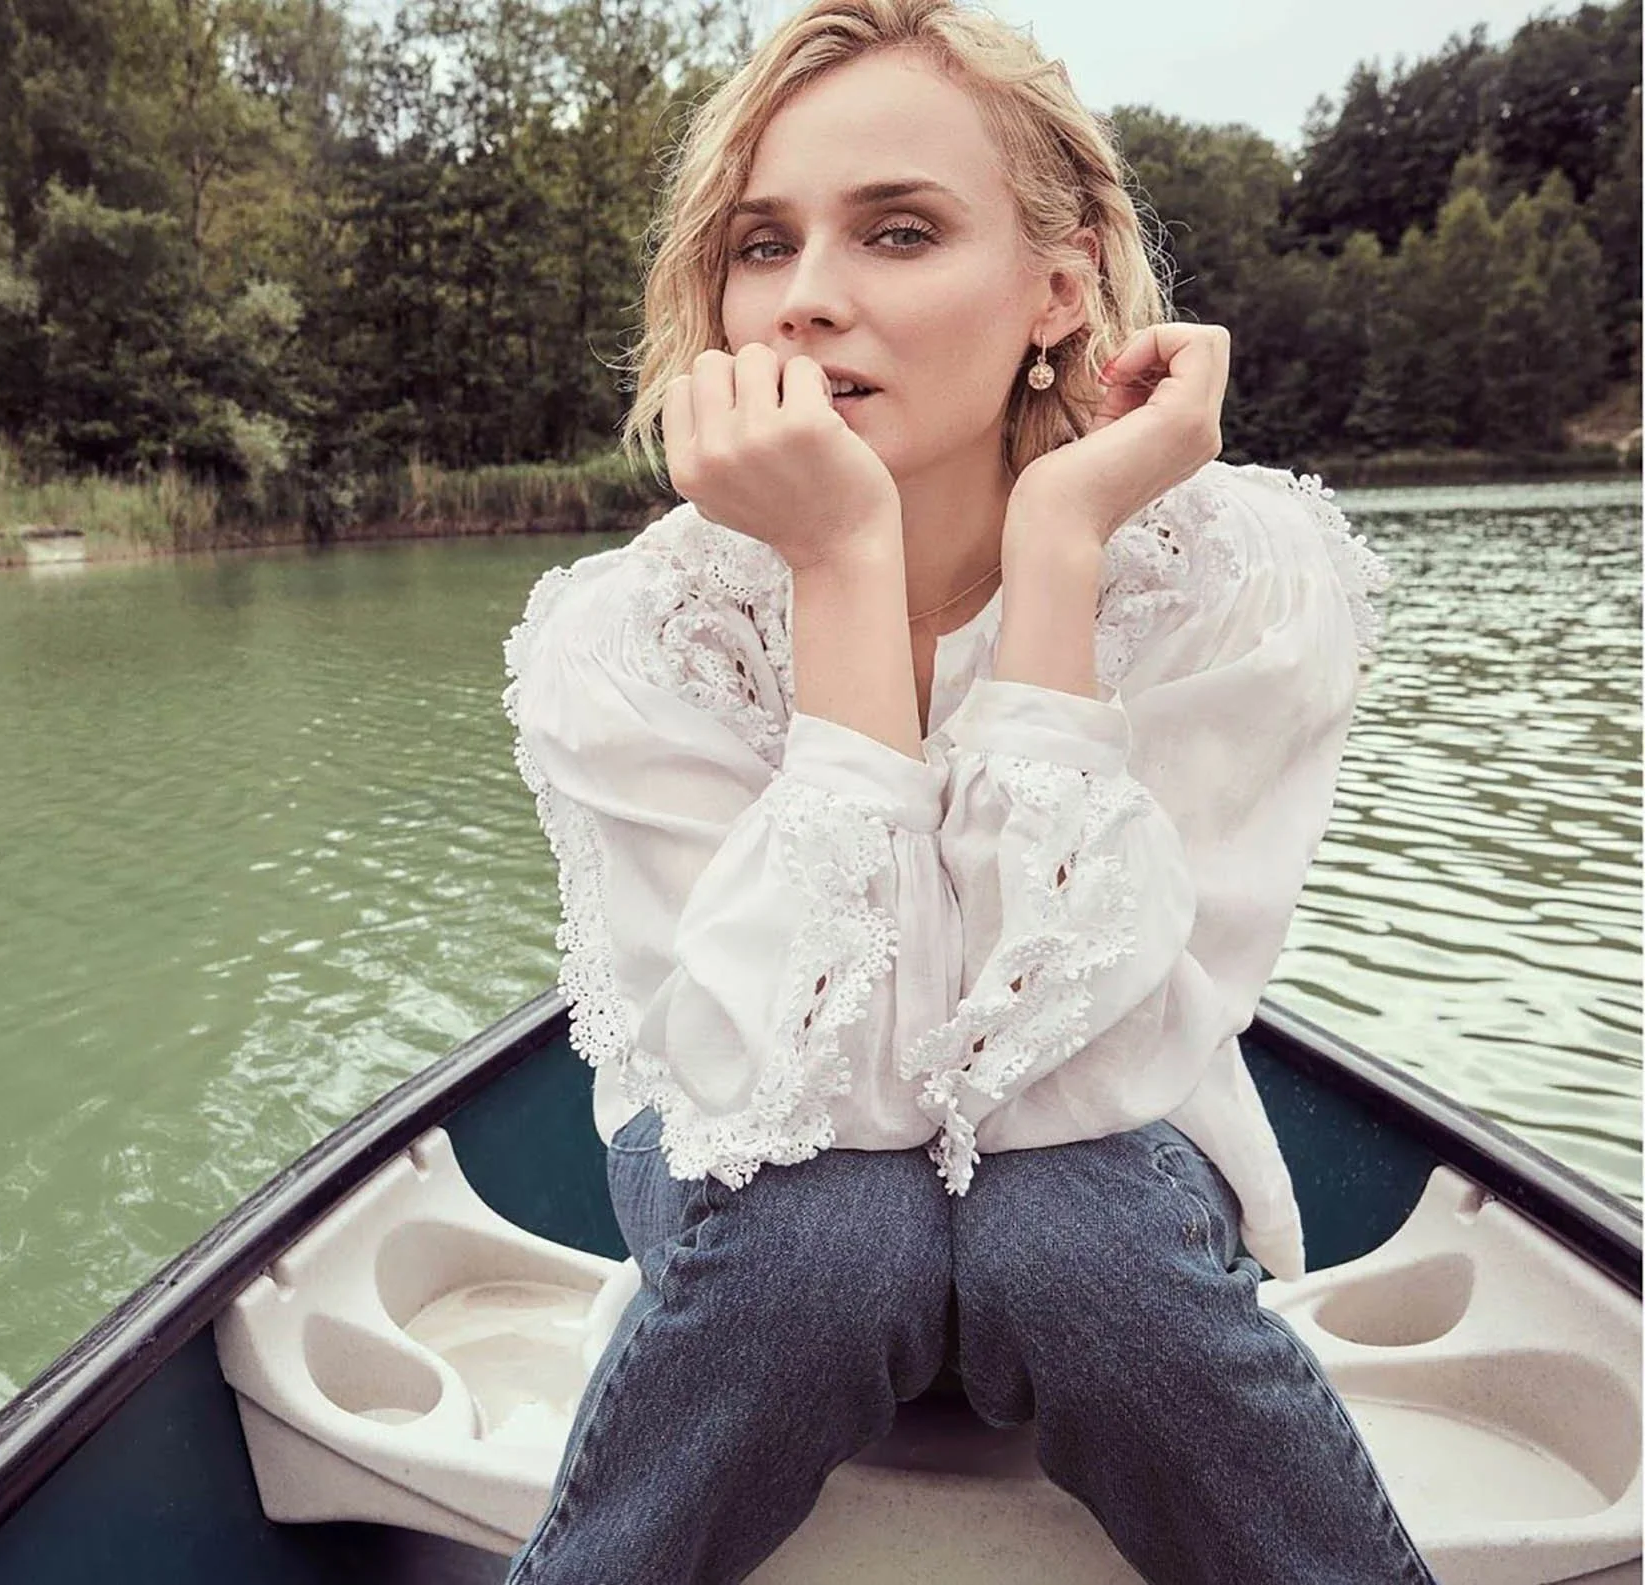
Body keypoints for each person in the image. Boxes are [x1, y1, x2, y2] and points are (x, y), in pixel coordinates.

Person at [495, 2, 1433, 1582]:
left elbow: (1071, 1094)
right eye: (760, 247)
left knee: (1076, 1236)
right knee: (824, 1240)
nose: (807, 304)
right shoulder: (630, 635)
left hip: (1104, 1147)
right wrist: (843, 560)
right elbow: (804, 1111)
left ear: (1057, 289)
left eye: (900, 232)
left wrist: (1060, 551)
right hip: (752, 1137)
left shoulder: (1229, 581)